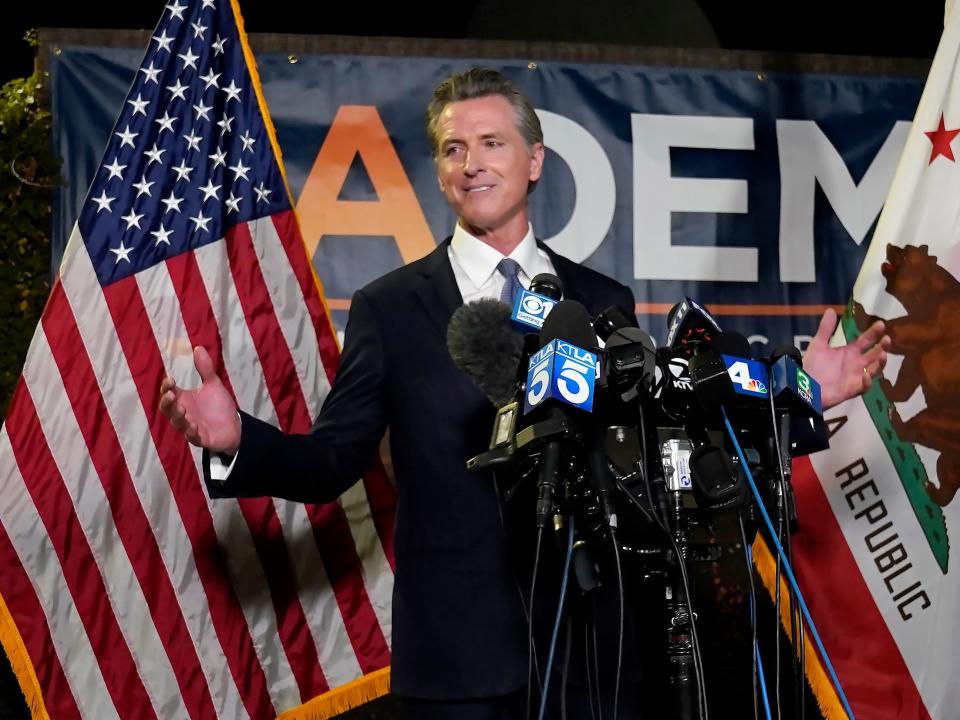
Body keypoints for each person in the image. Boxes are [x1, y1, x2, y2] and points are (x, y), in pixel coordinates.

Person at [160, 67, 890, 719]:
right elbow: (329, 462)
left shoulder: (600, 298)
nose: (471, 163)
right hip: (455, 671)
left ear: (534, 161)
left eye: (492, 143)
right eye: (454, 149)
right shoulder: (391, 308)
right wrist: (238, 441)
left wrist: (795, 399)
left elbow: (663, 455)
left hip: (592, 658)